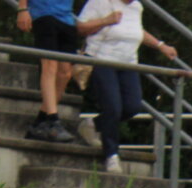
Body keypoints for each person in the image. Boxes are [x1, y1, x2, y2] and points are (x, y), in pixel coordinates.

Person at [73, 0, 177, 174]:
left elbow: (136, 31)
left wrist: (161, 46)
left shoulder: (136, 7)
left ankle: (92, 124)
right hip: (101, 60)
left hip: (128, 63)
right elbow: (80, 28)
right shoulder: (100, 2)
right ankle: (111, 155)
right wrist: (105, 21)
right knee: (113, 107)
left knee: (132, 106)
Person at [14, 0, 82, 143]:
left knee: (65, 72)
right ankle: (53, 120)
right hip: (44, 14)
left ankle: (40, 121)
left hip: (66, 17)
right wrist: (22, 9)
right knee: (49, 65)